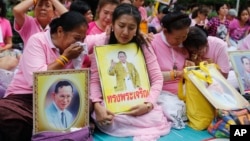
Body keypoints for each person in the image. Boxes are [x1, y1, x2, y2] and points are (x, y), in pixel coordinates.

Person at [86, 4, 170, 140]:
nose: (125, 32)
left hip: (139, 100)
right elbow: (95, 80)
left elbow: (157, 78)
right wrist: (96, 105)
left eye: (131, 28)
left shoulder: (143, 43)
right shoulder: (102, 43)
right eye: (121, 25)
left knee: (154, 118)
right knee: (109, 117)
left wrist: (148, 104)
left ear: (137, 29)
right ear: (112, 24)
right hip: (112, 100)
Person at [0, 11, 88, 141]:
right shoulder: (38, 40)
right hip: (24, 98)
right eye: (76, 38)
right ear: (60, 31)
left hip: (53, 102)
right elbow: (35, 80)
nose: (80, 44)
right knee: (5, 115)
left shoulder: (75, 52)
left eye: (82, 39)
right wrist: (65, 58)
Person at [151, 11, 191, 129]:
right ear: (165, 31)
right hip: (161, 92)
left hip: (182, 90)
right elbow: (149, 75)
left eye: (185, 36)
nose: (181, 41)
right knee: (174, 109)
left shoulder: (184, 44)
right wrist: (176, 74)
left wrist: (190, 66)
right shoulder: (152, 43)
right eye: (177, 38)